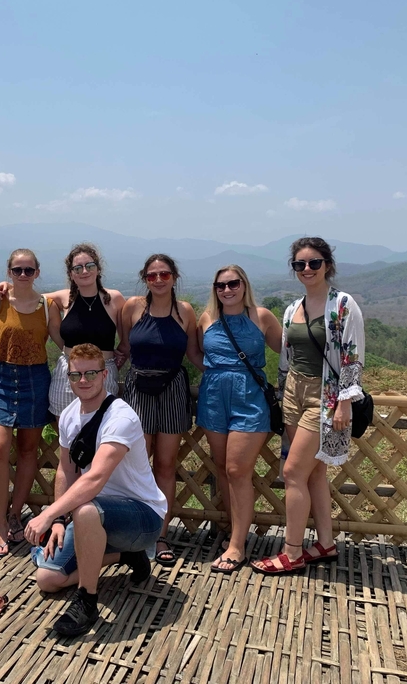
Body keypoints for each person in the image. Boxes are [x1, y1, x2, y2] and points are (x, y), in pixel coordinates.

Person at [24, 344, 168, 637]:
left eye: (91, 373)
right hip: (94, 516)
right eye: (76, 375)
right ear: (68, 378)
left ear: (105, 375)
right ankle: (127, 557)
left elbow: (95, 478)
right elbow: (66, 470)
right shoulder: (68, 416)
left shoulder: (120, 417)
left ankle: (87, 600)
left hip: (143, 516)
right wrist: (59, 522)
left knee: (87, 508)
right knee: (47, 578)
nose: (83, 380)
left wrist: (48, 514)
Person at [251, 237, 365, 575]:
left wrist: (344, 402)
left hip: (325, 396)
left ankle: (292, 551)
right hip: (293, 392)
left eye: (314, 263)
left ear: (327, 264)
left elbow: (352, 358)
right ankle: (326, 543)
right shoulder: (292, 309)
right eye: (300, 264)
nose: (307, 269)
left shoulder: (343, 304)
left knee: (292, 473)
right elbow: (287, 356)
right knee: (314, 472)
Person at [195, 265, 282, 573]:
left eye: (233, 283)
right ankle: (235, 533)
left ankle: (237, 546)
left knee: (237, 469)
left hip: (250, 397)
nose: (227, 290)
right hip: (214, 396)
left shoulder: (262, 316)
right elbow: (195, 353)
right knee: (222, 468)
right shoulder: (207, 318)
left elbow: (287, 351)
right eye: (221, 285)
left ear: (244, 285)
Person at [119, 254, 202, 568]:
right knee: (137, 463)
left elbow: (193, 352)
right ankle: (135, 532)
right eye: (152, 275)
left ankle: (160, 534)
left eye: (164, 274)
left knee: (166, 465)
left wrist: (220, 372)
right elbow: (124, 349)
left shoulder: (185, 312)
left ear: (174, 277)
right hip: (138, 386)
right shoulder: (133, 308)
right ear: (145, 278)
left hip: (173, 388)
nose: (158, 280)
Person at [0, 248, 62, 557]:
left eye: (29, 270)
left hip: (35, 379)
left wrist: (98, 361)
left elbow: (59, 340)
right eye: (18, 270)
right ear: (9, 272)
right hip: (1, 378)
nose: (24, 275)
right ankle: (0, 523)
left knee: (28, 449)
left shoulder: (47, 306)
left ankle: (15, 515)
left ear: (37, 273)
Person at [0, 243, 126, 418]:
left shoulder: (114, 299)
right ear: (71, 274)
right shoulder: (64, 298)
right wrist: (8, 286)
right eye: (77, 268)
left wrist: (118, 360)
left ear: (98, 269)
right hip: (67, 373)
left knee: (101, 431)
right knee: (66, 431)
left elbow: (126, 340)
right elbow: (28, 296)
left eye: (90, 266)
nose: (84, 271)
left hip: (103, 374)